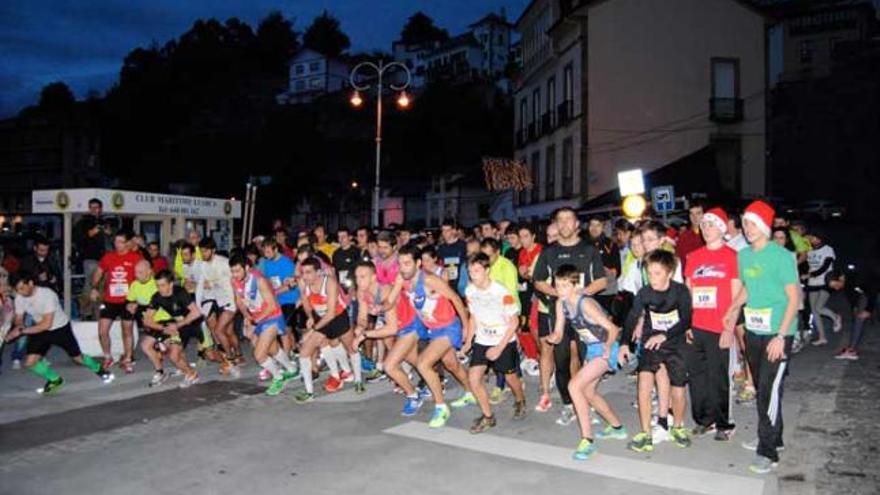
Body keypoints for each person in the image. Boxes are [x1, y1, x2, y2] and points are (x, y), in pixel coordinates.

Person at [724, 200, 799, 474]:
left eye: (753, 223)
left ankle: (767, 451)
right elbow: (747, 288)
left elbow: (794, 298)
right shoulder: (744, 256)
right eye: (745, 223)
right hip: (754, 331)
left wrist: (781, 335)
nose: (748, 228)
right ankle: (774, 438)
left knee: (767, 389)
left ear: (765, 226)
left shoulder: (780, 256)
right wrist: (733, 308)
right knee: (764, 389)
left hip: (778, 333)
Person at [532, 207, 607, 426]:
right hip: (560, 315)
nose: (564, 224)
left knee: (587, 361)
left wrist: (581, 294)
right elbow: (538, 281)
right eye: (560, 221)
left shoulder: (589, 249)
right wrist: (560, 294)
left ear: (577, 225)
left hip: (585, 316)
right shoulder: (549, 252)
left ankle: (587, 402)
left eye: (569, 220)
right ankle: (568, 405)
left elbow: (602, 281)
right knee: (562, 362)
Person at [386, 245, 473, 428]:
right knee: (451, 365)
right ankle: (470, 392)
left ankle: (441, 407)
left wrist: (466, 327)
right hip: (432, 329)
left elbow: (456, 299)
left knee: (424, 363)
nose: (403, 268)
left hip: (449, 327)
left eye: (407, 263)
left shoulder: (431, 280)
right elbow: (390, 300)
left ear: (417, 263)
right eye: (400, 264)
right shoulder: (402, 278)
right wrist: (379, 307)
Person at [548, 264, 627, 459]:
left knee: (574, 386)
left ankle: (587, 440)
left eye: (565, 286)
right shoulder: (561, 303)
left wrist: (608, 348)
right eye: (558, 285)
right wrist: (554, 338)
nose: (561, 290)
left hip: (605, 348)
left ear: (576, 285)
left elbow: (613, 329)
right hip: (592, 350)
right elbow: (559, 331)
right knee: (589, 393)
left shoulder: (586, 304)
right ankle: (617, 428)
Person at [622, 250, 693, 453]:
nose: (652, 278)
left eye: (657, 273)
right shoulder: (645, 293)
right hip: (651, 341)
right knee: (644, 382)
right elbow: (632, 317)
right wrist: (625, 343)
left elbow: (687, 320)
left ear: (669, 273)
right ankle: (645, 433)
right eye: (649, 273)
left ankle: (677, 427)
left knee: (678, 390)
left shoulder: (680, 292)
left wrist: (665, 335)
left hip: (675, 343)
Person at [6, 272, 114, 394]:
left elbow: (47, 324)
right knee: (30, 362)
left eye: (22, 288)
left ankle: (99, 369)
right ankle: (55, 380)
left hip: (60, 329)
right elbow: (19, 318)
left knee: (78, 358)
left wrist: (22, 331)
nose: (20, 292)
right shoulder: (20, 297)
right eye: (17, 290)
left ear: (30, 283)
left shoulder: (47, 295)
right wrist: (18, 327)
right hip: (39, 330)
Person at [684, 208, 740, 441]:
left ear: (722, 228)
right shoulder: (693, 257)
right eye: (704, 225)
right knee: (696, 376)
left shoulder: (732, 256)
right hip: (696, 325)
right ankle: (704, 420)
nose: (706, 229)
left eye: (711, 225)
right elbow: (688, 293)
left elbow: (737, 297)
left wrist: (730, 329)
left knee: (718, 377)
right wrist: (686, 324)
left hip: (719, 326)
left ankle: (724, 423)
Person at [460, 253, 526, 434]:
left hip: (503, 339)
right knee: (473, 379)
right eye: (470, 271)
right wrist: (467, 343)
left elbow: (514, 322)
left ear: (487, 270)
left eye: (477, 271)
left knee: (511, 377)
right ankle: (488, 417)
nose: (473, 275)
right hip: (482, 339)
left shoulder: (501, 291)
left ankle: (520, 400)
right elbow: (473, 317)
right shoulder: (470, 290)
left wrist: (499, 348)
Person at [230, 256, 299, 396]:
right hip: (257, 317)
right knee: (273, 349)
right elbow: (239, 301)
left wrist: (255, 321)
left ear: (247, 268)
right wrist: (247, 317)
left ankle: (278, 377)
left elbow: (272, 305)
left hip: (272, 317)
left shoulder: (260, 281)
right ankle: (292, 369)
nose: (235, 275)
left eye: (237, 271)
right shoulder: (234, 280)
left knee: (259, 354)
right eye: (232, 271)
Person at [296, 257, 357, 402]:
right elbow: (306, 303)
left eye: (308, 272)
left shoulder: (329, 282)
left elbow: (330, 313)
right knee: (305, 352)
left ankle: (347, 372)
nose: (304, 276)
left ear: (318, 272)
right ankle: (310, 391)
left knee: (342, 345)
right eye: (302, 272)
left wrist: (311, 331)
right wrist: (310, 316)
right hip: (320, 316)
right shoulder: (304, 283)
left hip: (336, 315)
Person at [141, 270, 205, 388]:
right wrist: (163, 328)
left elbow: (196, 312)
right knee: (146, 344)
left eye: (163, 285)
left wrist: (177, 325)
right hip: (175, 324)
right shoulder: (157, 296)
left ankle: (191, 373)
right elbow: (147, 320)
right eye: (157, 285)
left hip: (191, 324)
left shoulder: (180, 293)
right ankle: (167, 372)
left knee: (175, 356)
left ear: (170, 284)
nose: (160, 288)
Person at [92, 230, 142, 372]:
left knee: (126, 330)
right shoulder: (109, 257)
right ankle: (108, 357)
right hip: (110, 300)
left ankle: (128, 359)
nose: (117, 245)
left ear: (127, 243)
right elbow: (98, 272)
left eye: (120, 242)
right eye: (115, 241)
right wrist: (94, 287)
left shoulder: (135, 258)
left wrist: (137, 300)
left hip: (128, 300)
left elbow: (142, 278)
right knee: (102, 330)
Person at [194, 237, 241, 365]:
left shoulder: (224, 262)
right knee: (229, 332)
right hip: (219, 302)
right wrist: (198, 307)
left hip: (231, 301)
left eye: (205, 251)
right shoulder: (202, 265)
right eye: (201, 251)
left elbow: (234, 281)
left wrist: (238, 302)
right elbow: (200, 286)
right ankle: (239, 355)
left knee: (218, 331)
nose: (203, 254)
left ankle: (229, 358)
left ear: (213, 250)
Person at [259, 239, 299, 358]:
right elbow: (267, 280)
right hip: (276, 300)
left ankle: (288, 353)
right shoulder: (266, 263)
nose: (266, 255)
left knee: (283, 327)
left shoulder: (286, 263)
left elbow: (290, 286)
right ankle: (293, 348)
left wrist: (272, 293)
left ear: (276, 249)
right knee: (284, 328)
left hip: (289, 299)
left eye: (268, 252)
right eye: (264, 253)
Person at [829, 264, 879, 360]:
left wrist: (868, 309)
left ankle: (851, 350)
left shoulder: (856, 279)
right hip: (866, 295)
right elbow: (853, 298)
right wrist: (855, 307)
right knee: (858, 319)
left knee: (860, 318)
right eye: (833, 287)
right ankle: (851, 350)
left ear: (841, 278)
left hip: (873, 292)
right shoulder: (846, 284)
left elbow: (873, 290)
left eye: (836, 285)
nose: (836, 288)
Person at [74, 198, 109, 320]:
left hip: (105, 259)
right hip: (90, 259)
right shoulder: (83, 222)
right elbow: (77, 239)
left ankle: (98, 313)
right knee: (90, 284)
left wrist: (108, 232)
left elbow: (112, 237)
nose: (94, 210)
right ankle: (85, 312)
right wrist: (90, 233)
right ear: (89, 209)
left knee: (102, 286)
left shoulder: (105, 221)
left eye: (96, 207)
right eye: (92, 207)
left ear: (101, 208)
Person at [804, 229, 839, 346]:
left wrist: (810, 274)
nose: (812, 240)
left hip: (825, 281)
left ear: (820, 238)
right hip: (812, 283)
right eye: (811, 237)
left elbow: (825, 267)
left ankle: (836, 317)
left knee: (819, 307)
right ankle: (822, 337)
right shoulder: (808, 250)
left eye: (814, 237)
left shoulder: (828, 249)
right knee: (814, 311)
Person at [587, 216, 621, 313]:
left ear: (603, 227)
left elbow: (617, 269)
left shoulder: (610, 244)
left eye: (598, 225)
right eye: (592, 225)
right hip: (588, 291)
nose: (594, 228)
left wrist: (609, 271)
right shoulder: (583, 244)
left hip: (607, 292)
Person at [437, 219, 469, 295]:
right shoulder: (441, 248)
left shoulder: (463, 245)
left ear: (454, 231)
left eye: (447, 230)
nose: (444, 233)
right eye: (443, 230)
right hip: (447, 284)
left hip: (461, 283)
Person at [676, 202, 705, 272]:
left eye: (698, 213)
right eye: (691, 213)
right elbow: (681, 262)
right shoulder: (683, 237)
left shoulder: (712, 235)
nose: (694, 217)